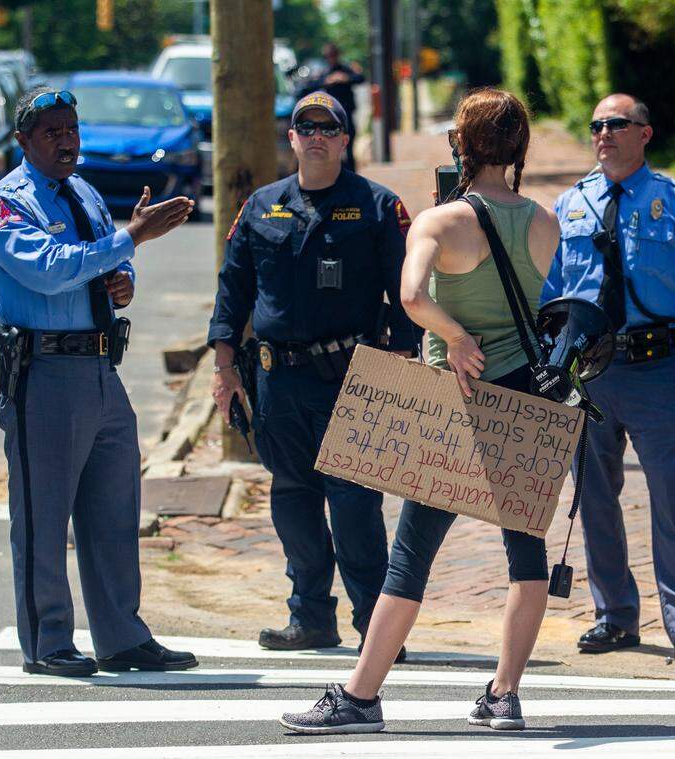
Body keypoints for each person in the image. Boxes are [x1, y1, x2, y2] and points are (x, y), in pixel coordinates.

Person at [278, 87, 561, 734]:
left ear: (461, 145)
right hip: (523, 398)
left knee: (410, 555)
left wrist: (457, 336)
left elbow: (409, 297)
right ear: (517, 148)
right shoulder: (546, 221)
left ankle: (361, 694)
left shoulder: (440, 222)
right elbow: (556, 309)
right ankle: (504, 692)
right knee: (526, 552)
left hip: (454, 401)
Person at [0, 86, 198, 676]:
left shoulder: (85, 192)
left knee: (113, 511)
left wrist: (124, 276)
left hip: (101, 367)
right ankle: (48, 642)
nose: (66, 140)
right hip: (44, 371)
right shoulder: (8, 204)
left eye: (71, 128)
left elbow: (106, 260)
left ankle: (121, 636)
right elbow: (51, 271)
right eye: (51, 131)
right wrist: (131, 239)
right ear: (23, 141)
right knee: (43, 516)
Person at [208, 91, 421, 654]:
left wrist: (403, 361)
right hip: (278, 381)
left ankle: (376, 628)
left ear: (346, 140)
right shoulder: (261, 207)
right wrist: (224, 365)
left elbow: (405, 295)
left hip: (353, 376)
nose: (318, 137)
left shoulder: (377, 206)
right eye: (308, 128)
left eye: (330, 128)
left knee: (354, 503)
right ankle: (310, 617)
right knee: (293, 497)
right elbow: (233, 291)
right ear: (294, 138)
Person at [542, 94, 675, 666]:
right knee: (595, 497)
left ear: (645, 133)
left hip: (657, 372)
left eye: (617, 124)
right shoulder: (570, 206)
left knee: (671, 499)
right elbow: (551, 294)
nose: (604, 133)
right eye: (597, 124)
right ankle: (614, 616)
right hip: (590, 374)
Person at [297, 44, 365, 172]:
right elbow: (307, 86)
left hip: (347, 112)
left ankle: (352, 174)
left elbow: (361, 78)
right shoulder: (323, 71)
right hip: (331, 116)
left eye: (333, 55)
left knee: (349, 145)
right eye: (328, 56)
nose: (331, 58)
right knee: (331, 146)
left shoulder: (345, 69)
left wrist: (345, 78)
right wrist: (326, 81)